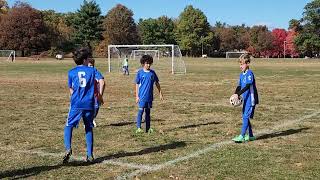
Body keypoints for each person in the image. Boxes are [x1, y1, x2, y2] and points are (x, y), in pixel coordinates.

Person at [63, 47, 105, 163]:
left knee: (69, 126)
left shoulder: (71, 72)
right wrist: (100, 95)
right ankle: (90, 155)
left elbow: (71, 89)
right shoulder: (92, 71)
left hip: (76, 103)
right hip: (89, 103)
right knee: (88, 127)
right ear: (85, 60)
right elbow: (102, 81)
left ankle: (68, 148)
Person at [232, 54, 259, 143]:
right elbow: (239, 86)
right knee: (245, 117)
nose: (240, 66)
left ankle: (242, 136)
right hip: (245, 99)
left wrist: (238, 94)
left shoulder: (249, 73)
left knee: (245, 117)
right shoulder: (241, 75)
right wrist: (235, 94)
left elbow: (247, 86)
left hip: (251, 99)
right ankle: (250, 136)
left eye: (242, 64)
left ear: (247, 64)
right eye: (240, 64)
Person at [135, 55, 163, 133]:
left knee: (148, 113)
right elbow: (137, 84)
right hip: (142, 97)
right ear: (143, 63)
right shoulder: (140, 73)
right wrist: (137, 96)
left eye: (150, 63)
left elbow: (157, 83)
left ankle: (148, 128)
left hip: (149, 97)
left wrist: (160, 93)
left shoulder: (152, 73)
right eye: (147, 63)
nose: (148, 65)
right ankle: (138, 128)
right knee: (140, 111)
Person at [88, 58, 103, 127]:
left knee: (96, 107)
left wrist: (100, 95)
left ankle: (92, 118)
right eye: (89, 65)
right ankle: (88, 121)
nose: (91, 67)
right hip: (86, 94)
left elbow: (102, 82)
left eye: (92, 65)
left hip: (95, 94)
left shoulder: (95, 71)